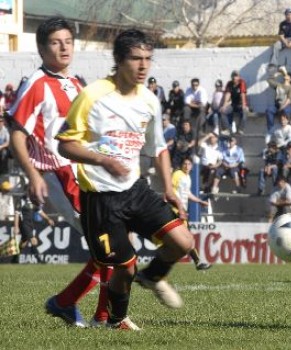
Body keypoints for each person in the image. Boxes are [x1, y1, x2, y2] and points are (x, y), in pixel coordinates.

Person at [56, 29, 196, 331]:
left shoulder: (148, 100)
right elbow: (65, 144)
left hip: (135, 190)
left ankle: (154, 276)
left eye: (148, 58)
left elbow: (158, 147)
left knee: (183, 242)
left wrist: (169, 189)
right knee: (125, 267)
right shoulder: (92, 96)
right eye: (136, 58)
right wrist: (103, 159)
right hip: (101, 198)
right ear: (119, 60)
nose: (143, 66)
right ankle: (115, 320)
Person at [8, 17, 111, 328]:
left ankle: (81, 307)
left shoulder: (76, 82)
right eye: (56, 42)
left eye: (68, 41)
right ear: (41, 48)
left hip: (87, 173)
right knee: (108, 242)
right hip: (59, 173)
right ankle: (94, 313)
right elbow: (16, 132)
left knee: (113, 241)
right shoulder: (36, 84)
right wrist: (33, 175)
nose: (64, 46)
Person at [172, 157, 212, 271]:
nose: (186, 165)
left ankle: (198, 262)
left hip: (181, 210)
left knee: (184, 238)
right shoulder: (177, 174)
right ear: (181, 165)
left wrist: (199, 201)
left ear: (192, 166)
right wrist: (179, 209)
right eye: (185, 163)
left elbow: (187, 193)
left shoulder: (187, 177)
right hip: (176, 210)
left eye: (189, 164)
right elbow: (171, 191)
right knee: (187, 238)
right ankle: (198, 262)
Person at [266, 67, 291, 132]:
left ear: (290, 79)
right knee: (269, 110)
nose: (286, 75)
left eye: (288, 76)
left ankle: (287, 129)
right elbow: (269, 80)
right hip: (277, 105)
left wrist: (283, 106)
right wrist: (278, 73)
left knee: (286, 111)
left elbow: (289, 99)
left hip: (285, 105)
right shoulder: (279, 85)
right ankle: (270, 130)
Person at [221, 70, 248, 135]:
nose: (234, 78)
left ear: (239, 77)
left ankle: (240, 129)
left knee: (244, 111)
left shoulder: (242, 82)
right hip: (233, 104)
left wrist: (244, 105)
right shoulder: (229, 83)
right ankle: (228, 129)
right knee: (223, 111)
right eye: (233, 76)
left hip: (241, 104)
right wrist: (224, 105)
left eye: (236, 76)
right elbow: (228, 94)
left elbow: (242, 94)